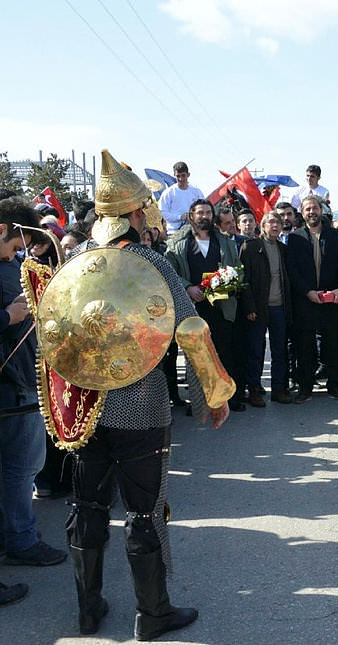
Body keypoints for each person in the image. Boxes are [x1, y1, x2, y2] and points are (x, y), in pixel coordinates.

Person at [61, 150, 232, 638]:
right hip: (140, 406)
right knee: (143, 510)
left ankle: (88, 608)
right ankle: (152, 614)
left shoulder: (76, 262)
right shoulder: (153, 264)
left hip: (87, 407)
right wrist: (212, 396)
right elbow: (191, 330)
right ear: (136, 215)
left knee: (88, 506)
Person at [0, 199, 58, 607]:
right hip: (11, 387)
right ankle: (20, 539)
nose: (25, 245)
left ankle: (16, 536)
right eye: (22, 235)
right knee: (20, 469)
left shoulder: (13, 266)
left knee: (24, 467)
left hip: (20, 385)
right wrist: (8, 317)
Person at [165, 199, 247, 412]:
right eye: (200, 213)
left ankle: (227, 399)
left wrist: (217, 286)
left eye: (208, 213)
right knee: (196, 357)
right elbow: (170, 274)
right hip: (192, 308)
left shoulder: (225, 242)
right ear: (191, 216)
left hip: (221, 307)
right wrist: (188, 287)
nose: (204, 217)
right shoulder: (177, 244)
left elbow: (237, 271)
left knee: (224, 353)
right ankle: (200, 402)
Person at [285, 194, 338, 403]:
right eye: (307, 209)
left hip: (331, 300)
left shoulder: (335, 235)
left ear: (321, 210)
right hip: (306, 301)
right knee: (305, 347)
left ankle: (335, 386)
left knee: (333, 345)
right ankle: (305, 388)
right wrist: (307, 292)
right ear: (302, 213)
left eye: (314, 208)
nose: (311, 212)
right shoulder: (295, 237)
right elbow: (292, 270)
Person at [240, 211, 293, 405]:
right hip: (258, 307)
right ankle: (254, 389)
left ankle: (279, 389)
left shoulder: (283, 248)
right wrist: (249, 307)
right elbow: (243, 280)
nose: (275, 226)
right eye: (271, 222)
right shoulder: (251, 247)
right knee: (256, 350)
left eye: (278, 223)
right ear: (262, 226)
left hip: (279, 306)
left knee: (280, 350)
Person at [157, 162, 204, 236]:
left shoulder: (196, 192)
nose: (181, 179)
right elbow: (162, 213)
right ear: (174, 175)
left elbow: (203, 210)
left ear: (188, 175)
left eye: (183, 175)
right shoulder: (168, 193)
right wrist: (180, 217)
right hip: (174, 233)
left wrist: (193, 216)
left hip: (194, 232)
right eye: (178, 176)